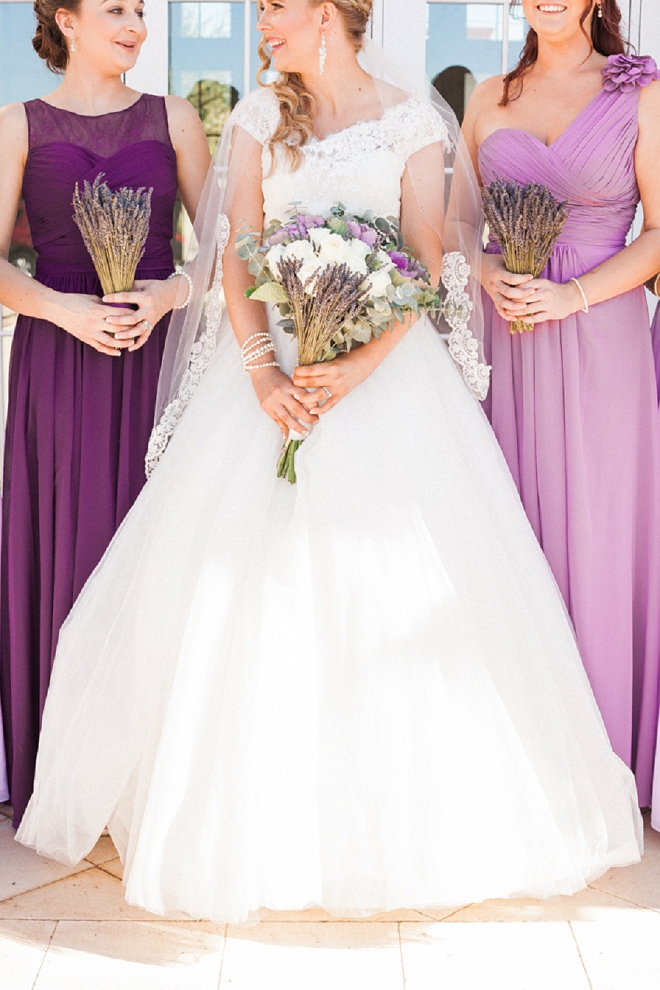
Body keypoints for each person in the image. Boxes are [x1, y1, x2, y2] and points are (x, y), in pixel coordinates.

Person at [17, 0, 642, 922]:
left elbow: (425, 266)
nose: (262, 20)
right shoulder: (260, 118)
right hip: (264, 378)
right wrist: (268, 371)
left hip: (387, 379)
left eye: (273, 5)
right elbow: (233, 255)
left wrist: (349, 367)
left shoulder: (411, 122)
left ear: (327, 13)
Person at [0, 0, 210, 827]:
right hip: (59, 359)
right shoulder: (17, 124)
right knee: (70, 545)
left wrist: (168, 292)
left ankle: (148, 785)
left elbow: (229, 241)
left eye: (141, 11)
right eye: (116, 7)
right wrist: (63, 310)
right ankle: (68, 782)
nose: (135, 24)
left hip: (157, 361)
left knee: (155, 552)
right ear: (66, 19)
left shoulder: (177, 119)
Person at [462, 0, 660, 809]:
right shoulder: (488, 96)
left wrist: (572, 295)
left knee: (601, 534)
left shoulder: (642, 92)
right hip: (506, 336)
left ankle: (604, 765)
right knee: (514, 531)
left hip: (599, 331)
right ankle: (519, 765)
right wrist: (486, 275)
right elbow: (454, 223)